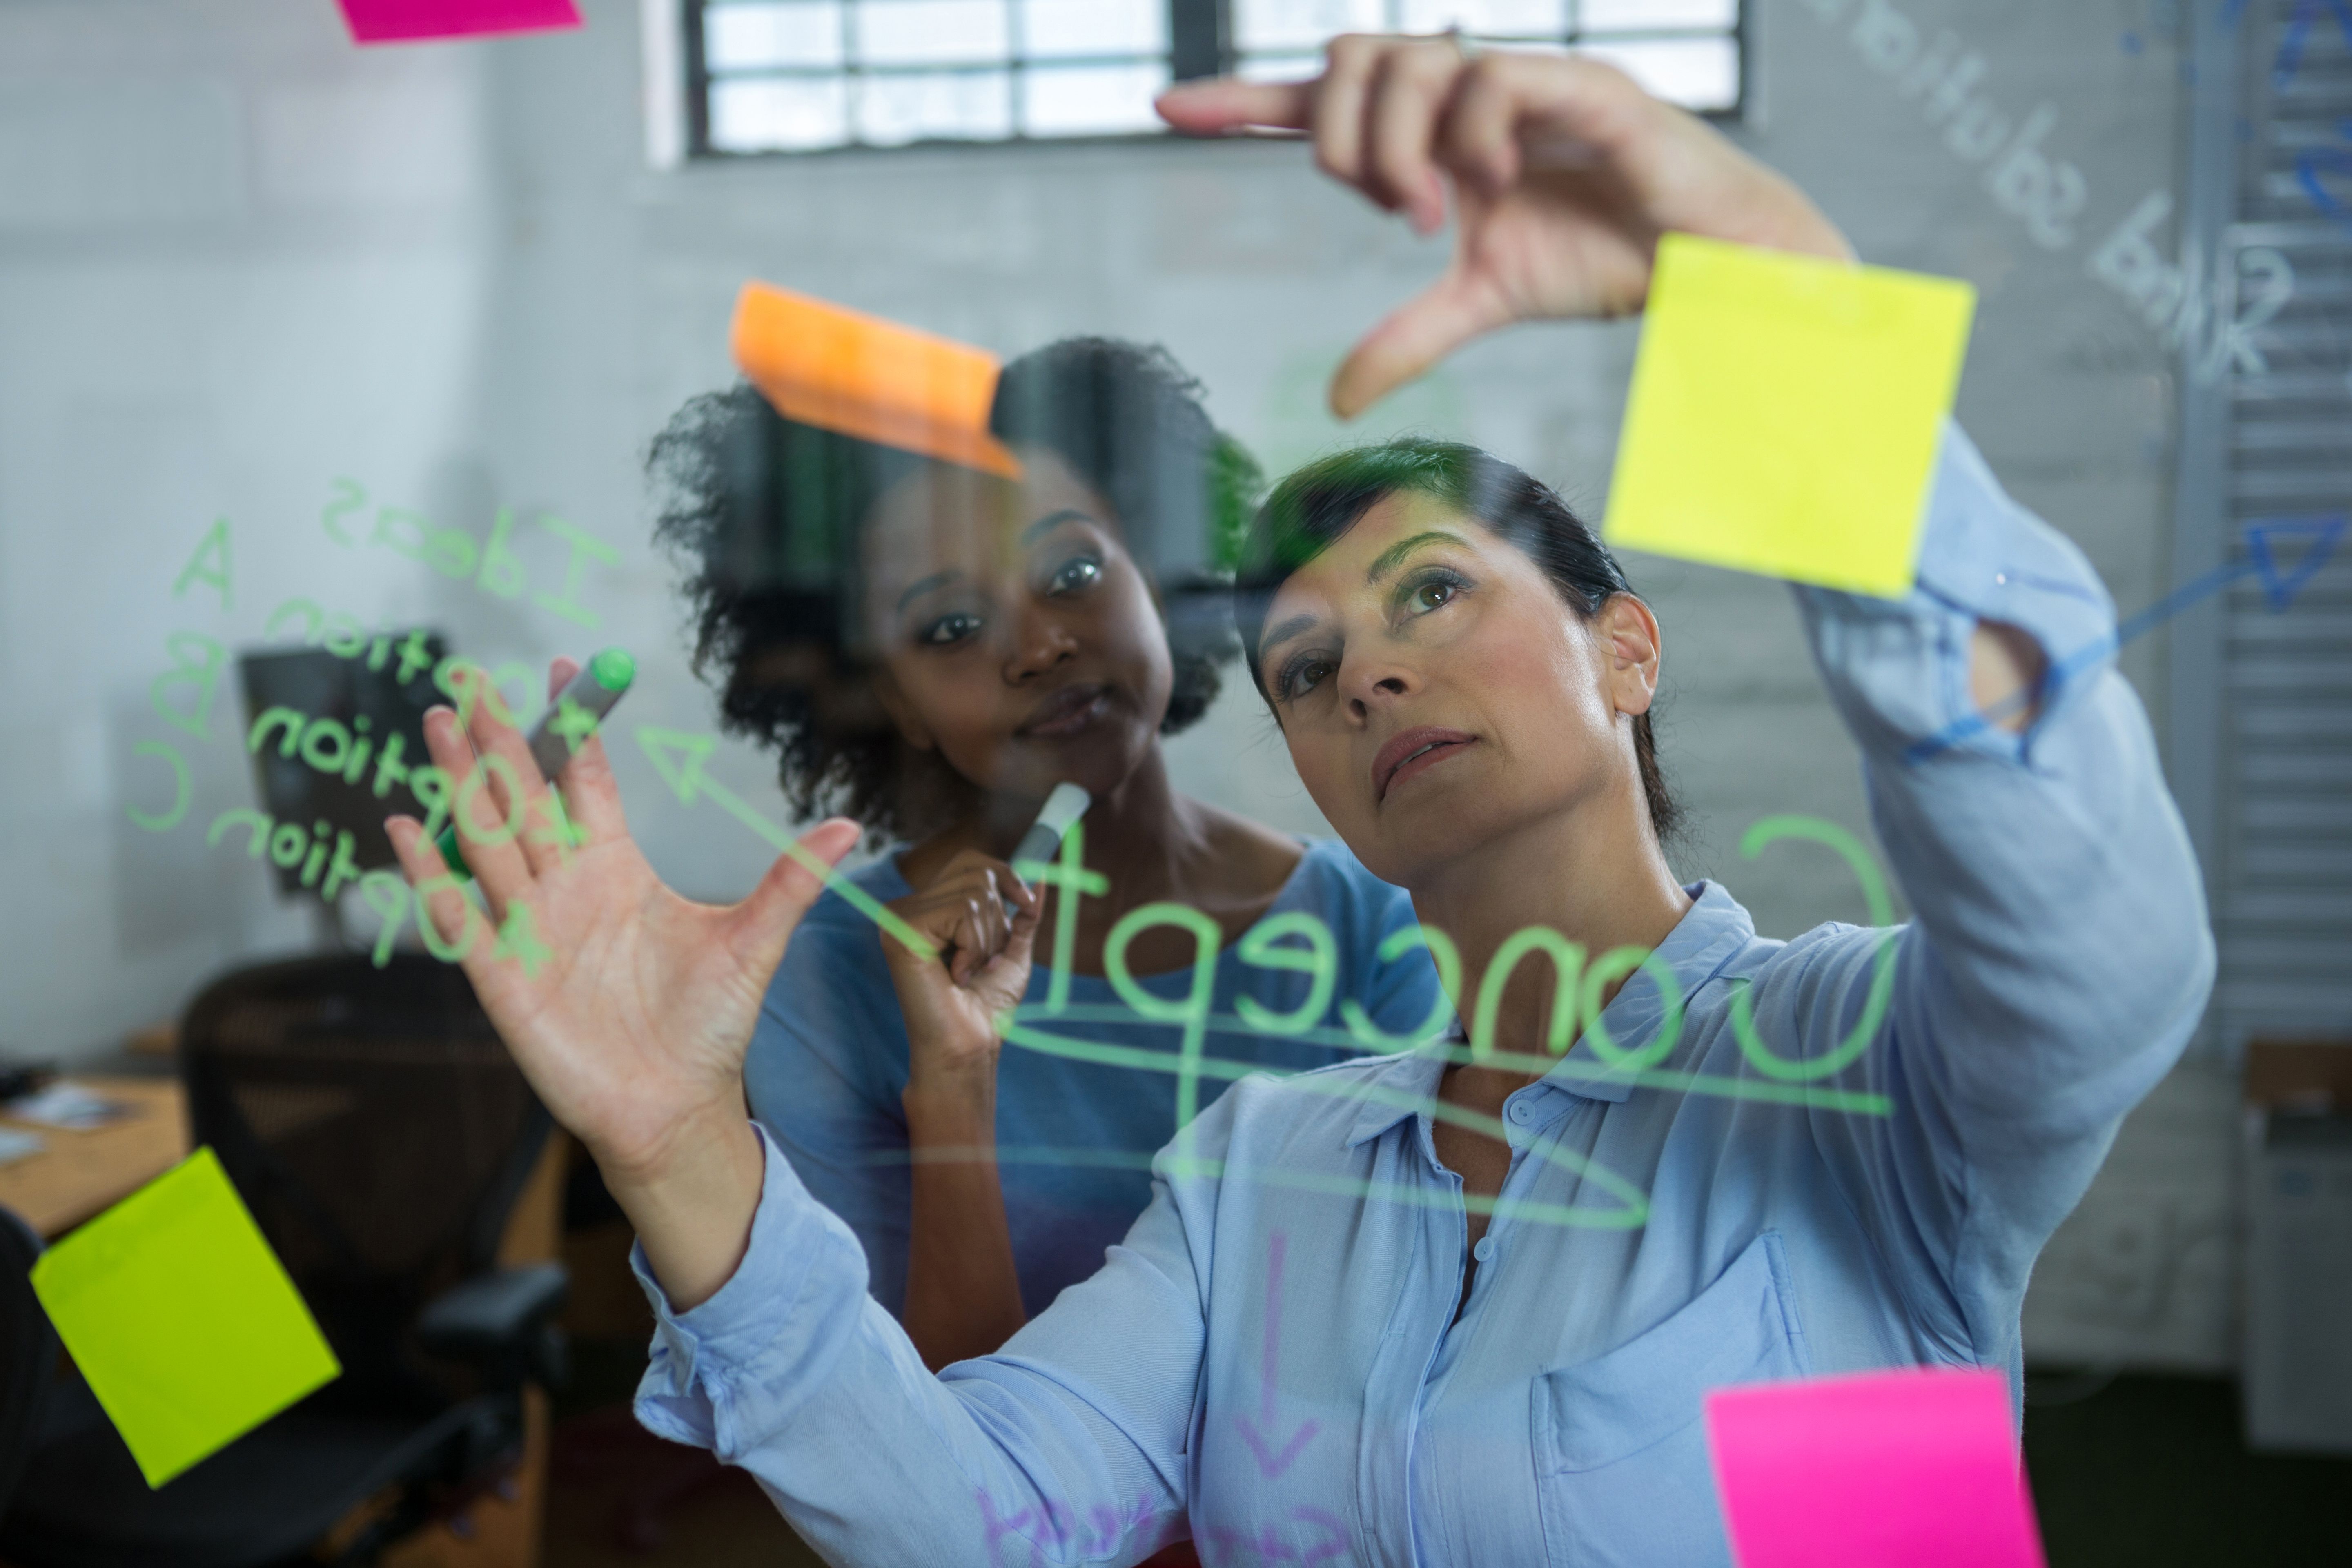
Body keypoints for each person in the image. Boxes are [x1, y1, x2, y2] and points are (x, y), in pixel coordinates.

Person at [386, 36, 2215, 1566]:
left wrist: (1799, 339)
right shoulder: (1258, 1173)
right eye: (1308, 671)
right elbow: (976, 1515)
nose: (1370, 677)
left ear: (1627, 651)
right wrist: (669, 1144)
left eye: (1434, 593)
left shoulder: (1863, 1083)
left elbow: (2091, 940)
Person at [644, 337, 1440, 1371]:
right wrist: (953, 1080)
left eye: (1072, 571)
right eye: (951, 626)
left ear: (1157, 576)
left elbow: (1413, 1347)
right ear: (896, 705)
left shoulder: (1379, 921)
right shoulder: (832, 974)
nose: (1036, 645)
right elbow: (929, 1444)